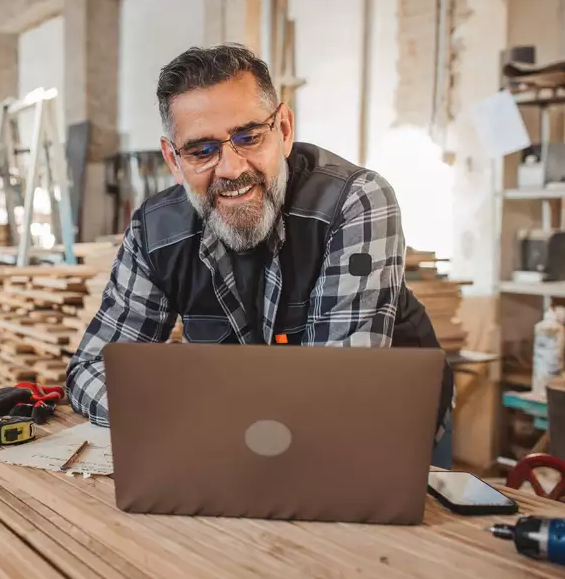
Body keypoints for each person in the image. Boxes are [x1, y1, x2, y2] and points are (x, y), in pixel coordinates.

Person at [66, 43, 455, 460]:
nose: (231, 169)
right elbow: (91, 370)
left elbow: (344, 389)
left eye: (248, 137)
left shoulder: (355, 202)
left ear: (284, 130)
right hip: (241, 439)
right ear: (173, 161)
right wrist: (183, 418)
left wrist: (189, 415)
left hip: (383, 429)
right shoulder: (154, 230)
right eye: (202, 150)